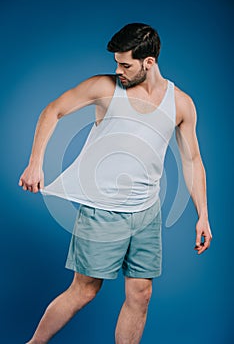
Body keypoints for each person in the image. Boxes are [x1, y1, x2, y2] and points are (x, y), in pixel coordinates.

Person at [19, 23, 212, 344]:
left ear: (148, 62)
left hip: (146, 213)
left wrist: (202, 214)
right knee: (84, 290)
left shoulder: (181, 104)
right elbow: (53, 110)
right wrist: (35, 162)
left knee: (141, 293)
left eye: (125, 64)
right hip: (102, 210)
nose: (118, 70)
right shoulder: (104, 87)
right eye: (116, 63)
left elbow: (192, 160)